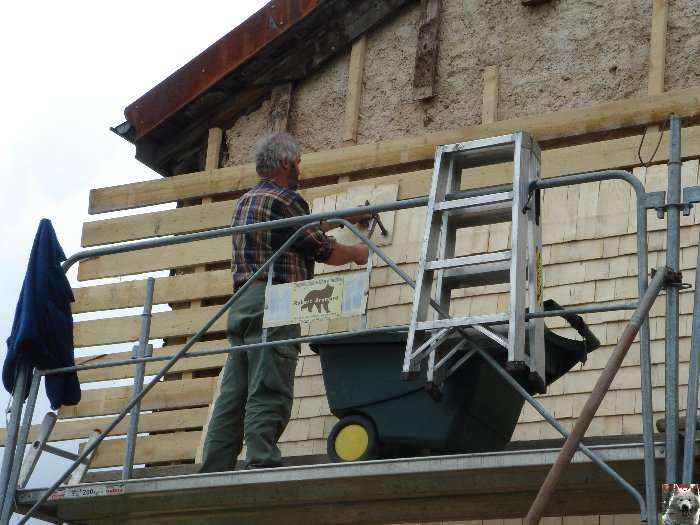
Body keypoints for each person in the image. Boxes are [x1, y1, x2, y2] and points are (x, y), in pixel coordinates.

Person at [199, 131, 371, 472]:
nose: (300, 169)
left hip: (243, 303)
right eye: (298, 163)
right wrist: (356, 254)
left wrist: (342, 218)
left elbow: (296, 231)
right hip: (274, 301)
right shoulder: (285, 199)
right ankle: (262, 463)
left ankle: (214, 468)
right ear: (285, 163)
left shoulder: (247, 202)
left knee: (234, 393)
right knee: (269, 384)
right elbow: (323, 249)